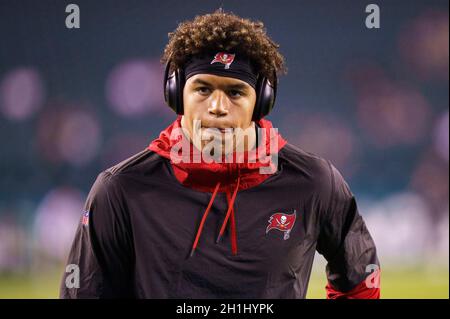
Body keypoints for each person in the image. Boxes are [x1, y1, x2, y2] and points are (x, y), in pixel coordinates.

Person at [60, 9, 380, 299]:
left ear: (261, 101)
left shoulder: (313, 182)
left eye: (235, 91)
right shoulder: (121, 189)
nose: (217, 107)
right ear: (176, 94)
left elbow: (361, 282)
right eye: (202, 89)